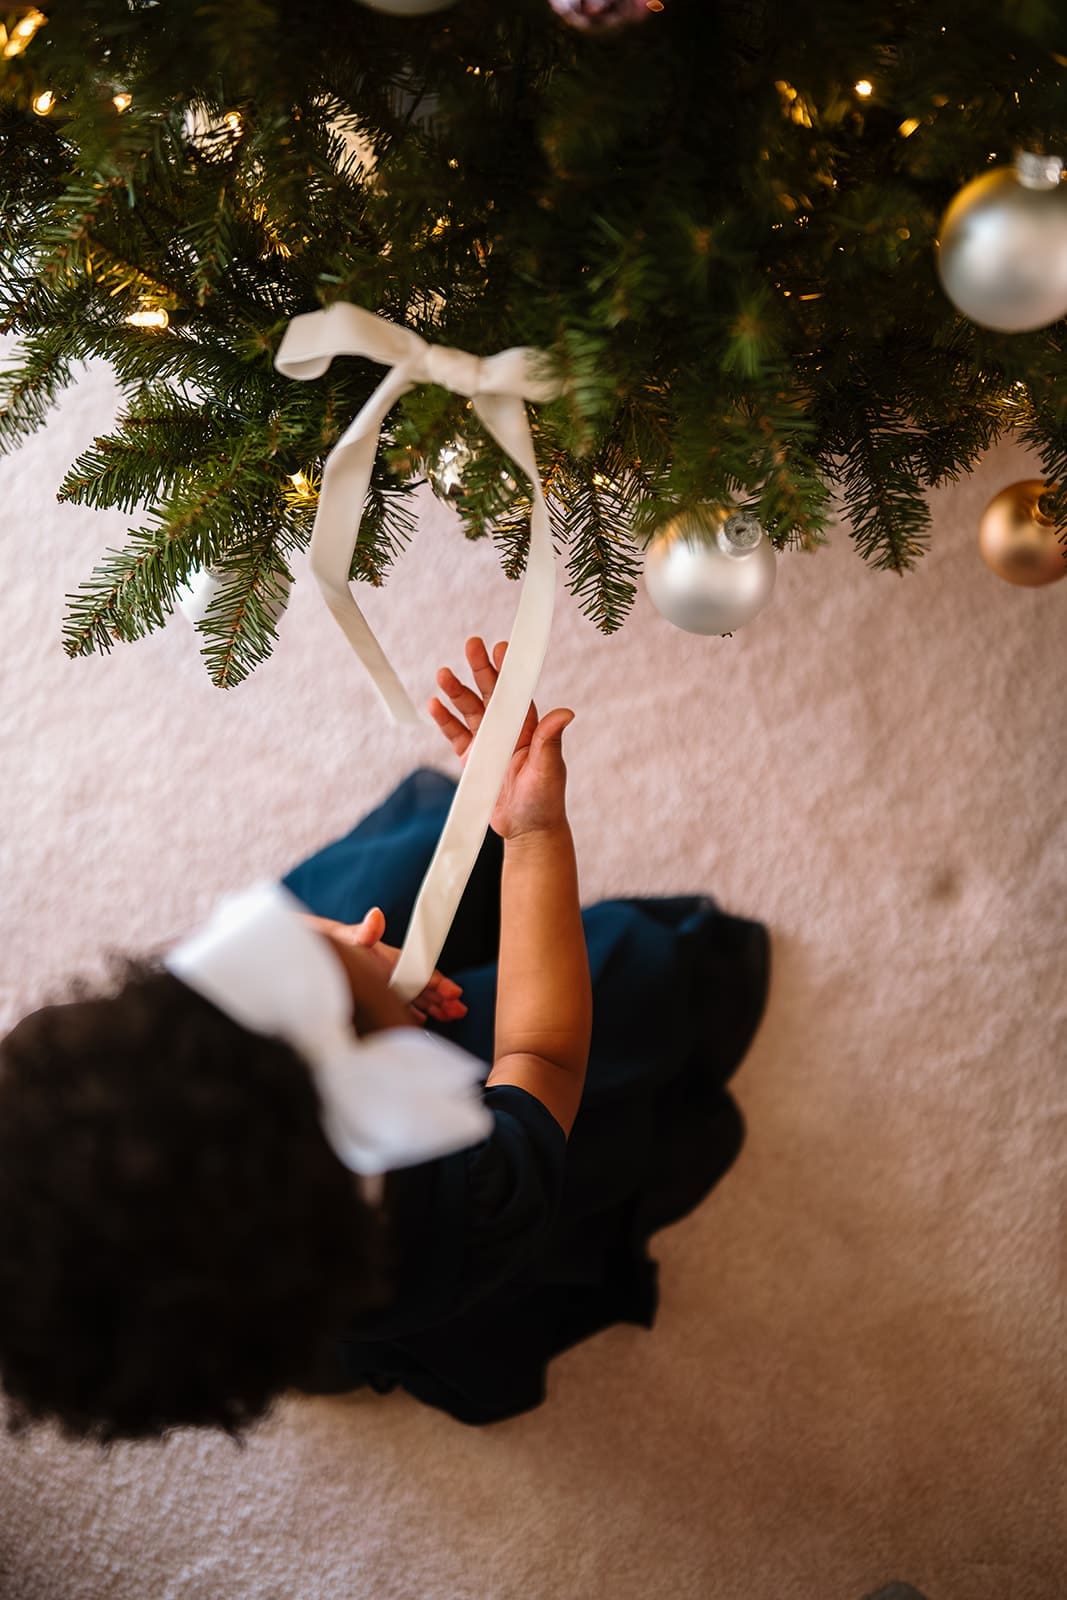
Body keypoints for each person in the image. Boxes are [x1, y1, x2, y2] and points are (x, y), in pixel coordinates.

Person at [0, 638, 769, 1443]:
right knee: (629, 982)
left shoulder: (102, 1069)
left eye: (262, 959)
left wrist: (318, 934)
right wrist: (535, 836)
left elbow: (176, 969)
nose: (312, 949)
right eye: (318, 976)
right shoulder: (462, 1204)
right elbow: (543, 1052)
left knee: (413, 867)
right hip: (467, 1161)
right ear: (368, 1062)